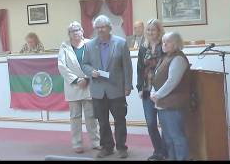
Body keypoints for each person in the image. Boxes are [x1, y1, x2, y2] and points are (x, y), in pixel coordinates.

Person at [82, 15, 133, 159]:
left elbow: (127, 67)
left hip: (116, 89)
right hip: (98, 90)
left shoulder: (121, 43)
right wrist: (91, 72)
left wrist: (128, 86)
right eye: (97, 28)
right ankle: (107, 147)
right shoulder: (89, 45)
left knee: (120, 120)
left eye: (103, 27)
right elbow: (84, 64)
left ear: (109, 27)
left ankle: (122, 147)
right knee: (102, 121)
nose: (100, 30)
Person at [58, 21, 100, 153]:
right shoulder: (64, 46)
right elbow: (61, 66)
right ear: (69, 34)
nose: (75, 32)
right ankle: (77, 143)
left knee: (91, 116)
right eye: (72, 31)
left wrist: (87, 78)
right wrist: (76, 80)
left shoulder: (90, 43)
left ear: (82, 31)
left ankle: (95, 142)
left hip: (89, 84)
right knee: (75, 117)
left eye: (77, 30)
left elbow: (96, 62)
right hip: (73, 86)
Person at [150, 32, 190, 160]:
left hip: (173, 104)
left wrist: (157, 94)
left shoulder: (178, 58)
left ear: (176, 43)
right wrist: (153, 92)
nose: (164, 44)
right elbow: (156, 77)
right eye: (163, 42)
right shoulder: (166, 57)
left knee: (176, 136)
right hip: (163, 103)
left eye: (168, 42)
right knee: (167, 137)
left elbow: (172, 81)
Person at [136, 19, 167, 161]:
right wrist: (140, 88)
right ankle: (158, 151)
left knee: (166, 123)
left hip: (163, 91)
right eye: (148, 30)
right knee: (151, 123)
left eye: (153, 30)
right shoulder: (143, 47)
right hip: (147, 90)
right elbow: (140, 69)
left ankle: (166, 151)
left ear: (159, 31)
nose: (150, 32)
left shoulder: (165, 46)